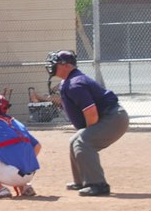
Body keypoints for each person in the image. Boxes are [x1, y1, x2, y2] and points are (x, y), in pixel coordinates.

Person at [47, 50, 129, 197]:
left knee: (83, 143)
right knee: (75, 141)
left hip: (113, 118)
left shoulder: (75, 83)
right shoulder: (67, 82)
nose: (52, 65)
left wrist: (87, 134)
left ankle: (98, 185)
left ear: (67, 66)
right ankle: (82, 181)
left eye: (56, 63)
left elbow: (91, 113)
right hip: (108, 116)